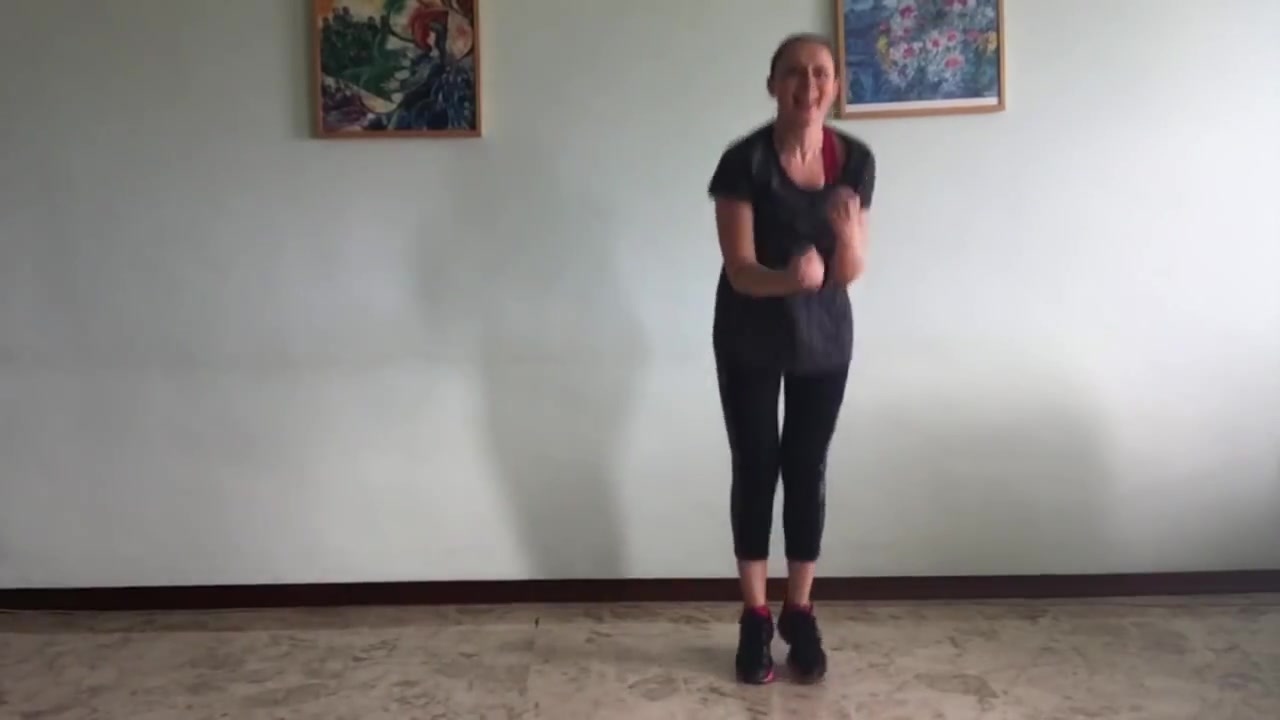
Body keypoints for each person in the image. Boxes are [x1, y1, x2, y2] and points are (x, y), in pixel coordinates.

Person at [706, 32, 875, 685]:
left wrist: (846, 241)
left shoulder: (855, 160)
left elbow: (851, 268)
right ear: (773, 84)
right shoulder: (743, 162)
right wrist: (790, 278)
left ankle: (798, 611)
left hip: (823, 338)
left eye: (821, 74)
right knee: (757, 468)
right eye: (795, 74)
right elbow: (741, 269)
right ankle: (755, 617)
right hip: (749, 332)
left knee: (807, 468)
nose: (809, 86)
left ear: (836, 86)